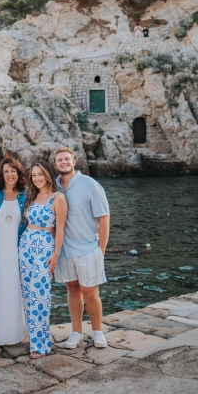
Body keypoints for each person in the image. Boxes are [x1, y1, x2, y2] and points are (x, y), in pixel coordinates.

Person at [53, 146, 110, 349]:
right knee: (72, 289)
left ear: (74, 161)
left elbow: (104, 219)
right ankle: (76, 333)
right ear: (55, 165)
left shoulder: (90, 185)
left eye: (67, 159)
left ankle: (97, 333)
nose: (64, 162)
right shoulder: (54, 187)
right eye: (60, 160)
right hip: (65, 251)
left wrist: (100, 250)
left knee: (91, 293)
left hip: (88, 249)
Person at [19, 160, 67, 359]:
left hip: (45, 248)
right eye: (33, 175)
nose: (37, 178)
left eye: (40, 174)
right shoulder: (32, 196)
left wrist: (55, 254)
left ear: (47, 174)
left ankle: (41, 345)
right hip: (25, 247)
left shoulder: (58, 198)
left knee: (41, 295)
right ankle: (36, 340)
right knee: (28, 295)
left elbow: (61, 228)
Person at [0, 157, 27, 346]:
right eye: (6, 171)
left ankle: (13, 334)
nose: (10, 174)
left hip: (16, 250)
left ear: (19, 173)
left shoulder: (26, 195)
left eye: (13, 171)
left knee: (13, 290)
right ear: (1, 174)